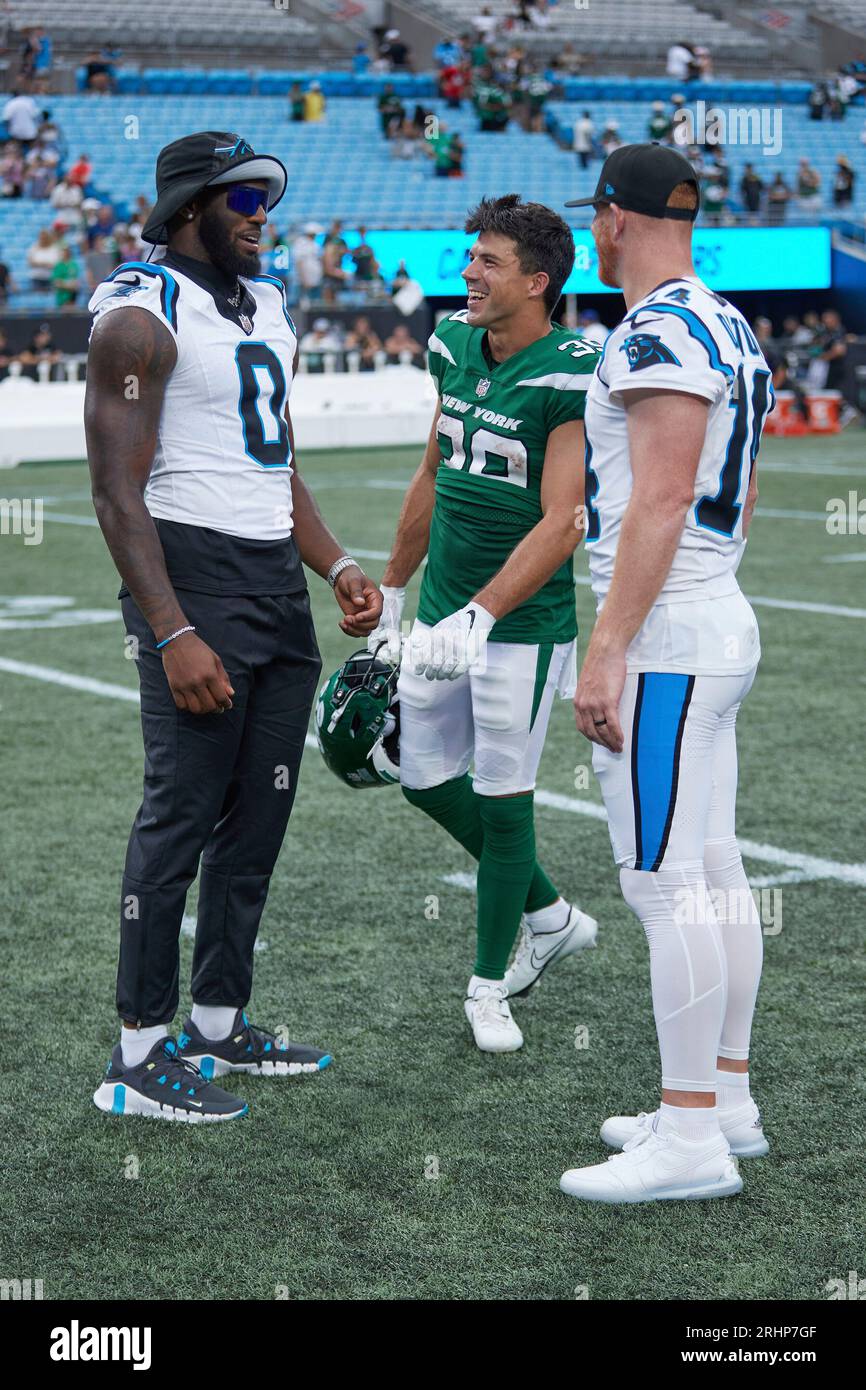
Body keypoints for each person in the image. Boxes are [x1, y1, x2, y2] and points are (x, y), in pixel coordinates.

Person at [84, 130, 382, 1123]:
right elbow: (117, 493)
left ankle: (217, 1022)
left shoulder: (267, 307)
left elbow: (273, 465)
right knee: (179, 810)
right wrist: (171, 632)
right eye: (242, 200)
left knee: (257, 819)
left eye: (265, 199)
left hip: (268, 576)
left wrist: (333, 560)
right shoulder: (139, 313)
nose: (262, 214)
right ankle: (136, 1053)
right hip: (192, 574)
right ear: (186, 211)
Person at [560, 143, 772, 1204]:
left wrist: (606, 647)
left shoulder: (657, 327)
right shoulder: (721, 318)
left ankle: (689, 1136)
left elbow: (657, 499)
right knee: (713, 873)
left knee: (663, 886)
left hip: (669, 636)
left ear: (611, 218)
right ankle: (720, 1098)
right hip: (709, 621)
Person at [367, 194, 600, 1054]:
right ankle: (550, 912)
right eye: (470, 256)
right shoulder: (452, 344)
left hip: (522, 626)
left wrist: (484, 612)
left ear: (537, 282)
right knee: (423, 778)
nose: (468, 271)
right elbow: (433, 469)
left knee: (505, 799)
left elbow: (564, 516)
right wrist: (395, 592)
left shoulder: (572, 370)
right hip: (440, 615)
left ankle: (489, 982)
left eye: (489, 261)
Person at [321, 218, 348, 303]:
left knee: (338, 297)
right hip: (330, 274)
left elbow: (345, 251)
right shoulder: (328, 239)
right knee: (328, 294)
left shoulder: (341, 241)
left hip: (337, 270)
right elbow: (327, 266)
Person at [51, 242, 81, 307]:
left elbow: (76, 282)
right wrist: (69, 285)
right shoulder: (58, 266)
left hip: (73, 297)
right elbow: (56, 282)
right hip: (62, 297)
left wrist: (65, 284)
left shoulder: (74, 264)